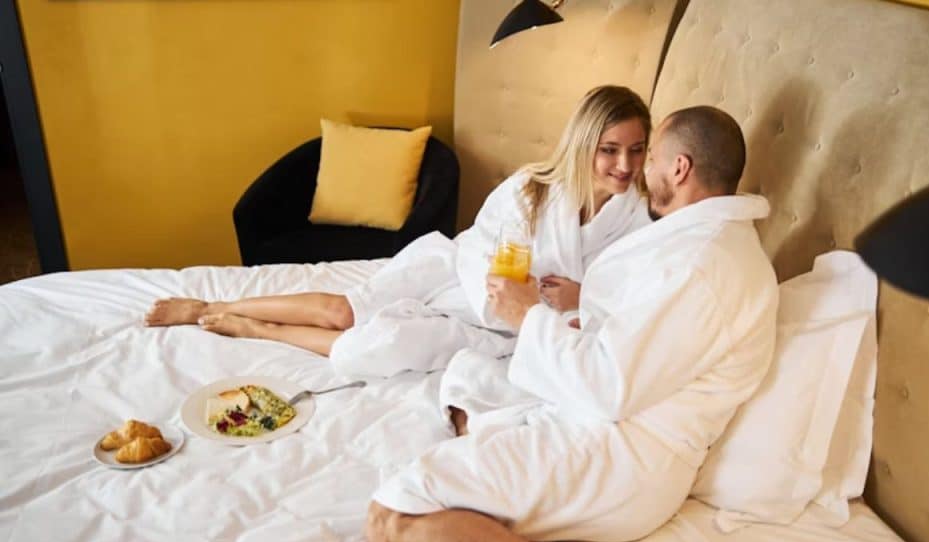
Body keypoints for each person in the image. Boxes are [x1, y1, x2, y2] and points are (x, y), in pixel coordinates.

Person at [363, 106, 780, 542]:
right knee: (468, 404)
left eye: (652, 156)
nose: (641, 169)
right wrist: (579, 323)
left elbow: (610, 385)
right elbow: (641, 345)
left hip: (621, 456)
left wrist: (529, 314)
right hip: (614, 439)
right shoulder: (703, 246)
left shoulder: (701, 264)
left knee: (393, 515)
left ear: (679, 168)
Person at [144, 85, 653, 378]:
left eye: (636, 149)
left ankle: (257, 330)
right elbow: (483, 248)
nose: (624, 165)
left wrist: (578, 299)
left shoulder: (637, 221)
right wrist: (508, 295)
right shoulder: (533, 188)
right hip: (456, 275)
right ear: (584, 143)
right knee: (342, 311)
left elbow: (627, 303)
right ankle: (210, 308)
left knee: (368, 349)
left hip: (492, 329)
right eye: (610, 149)